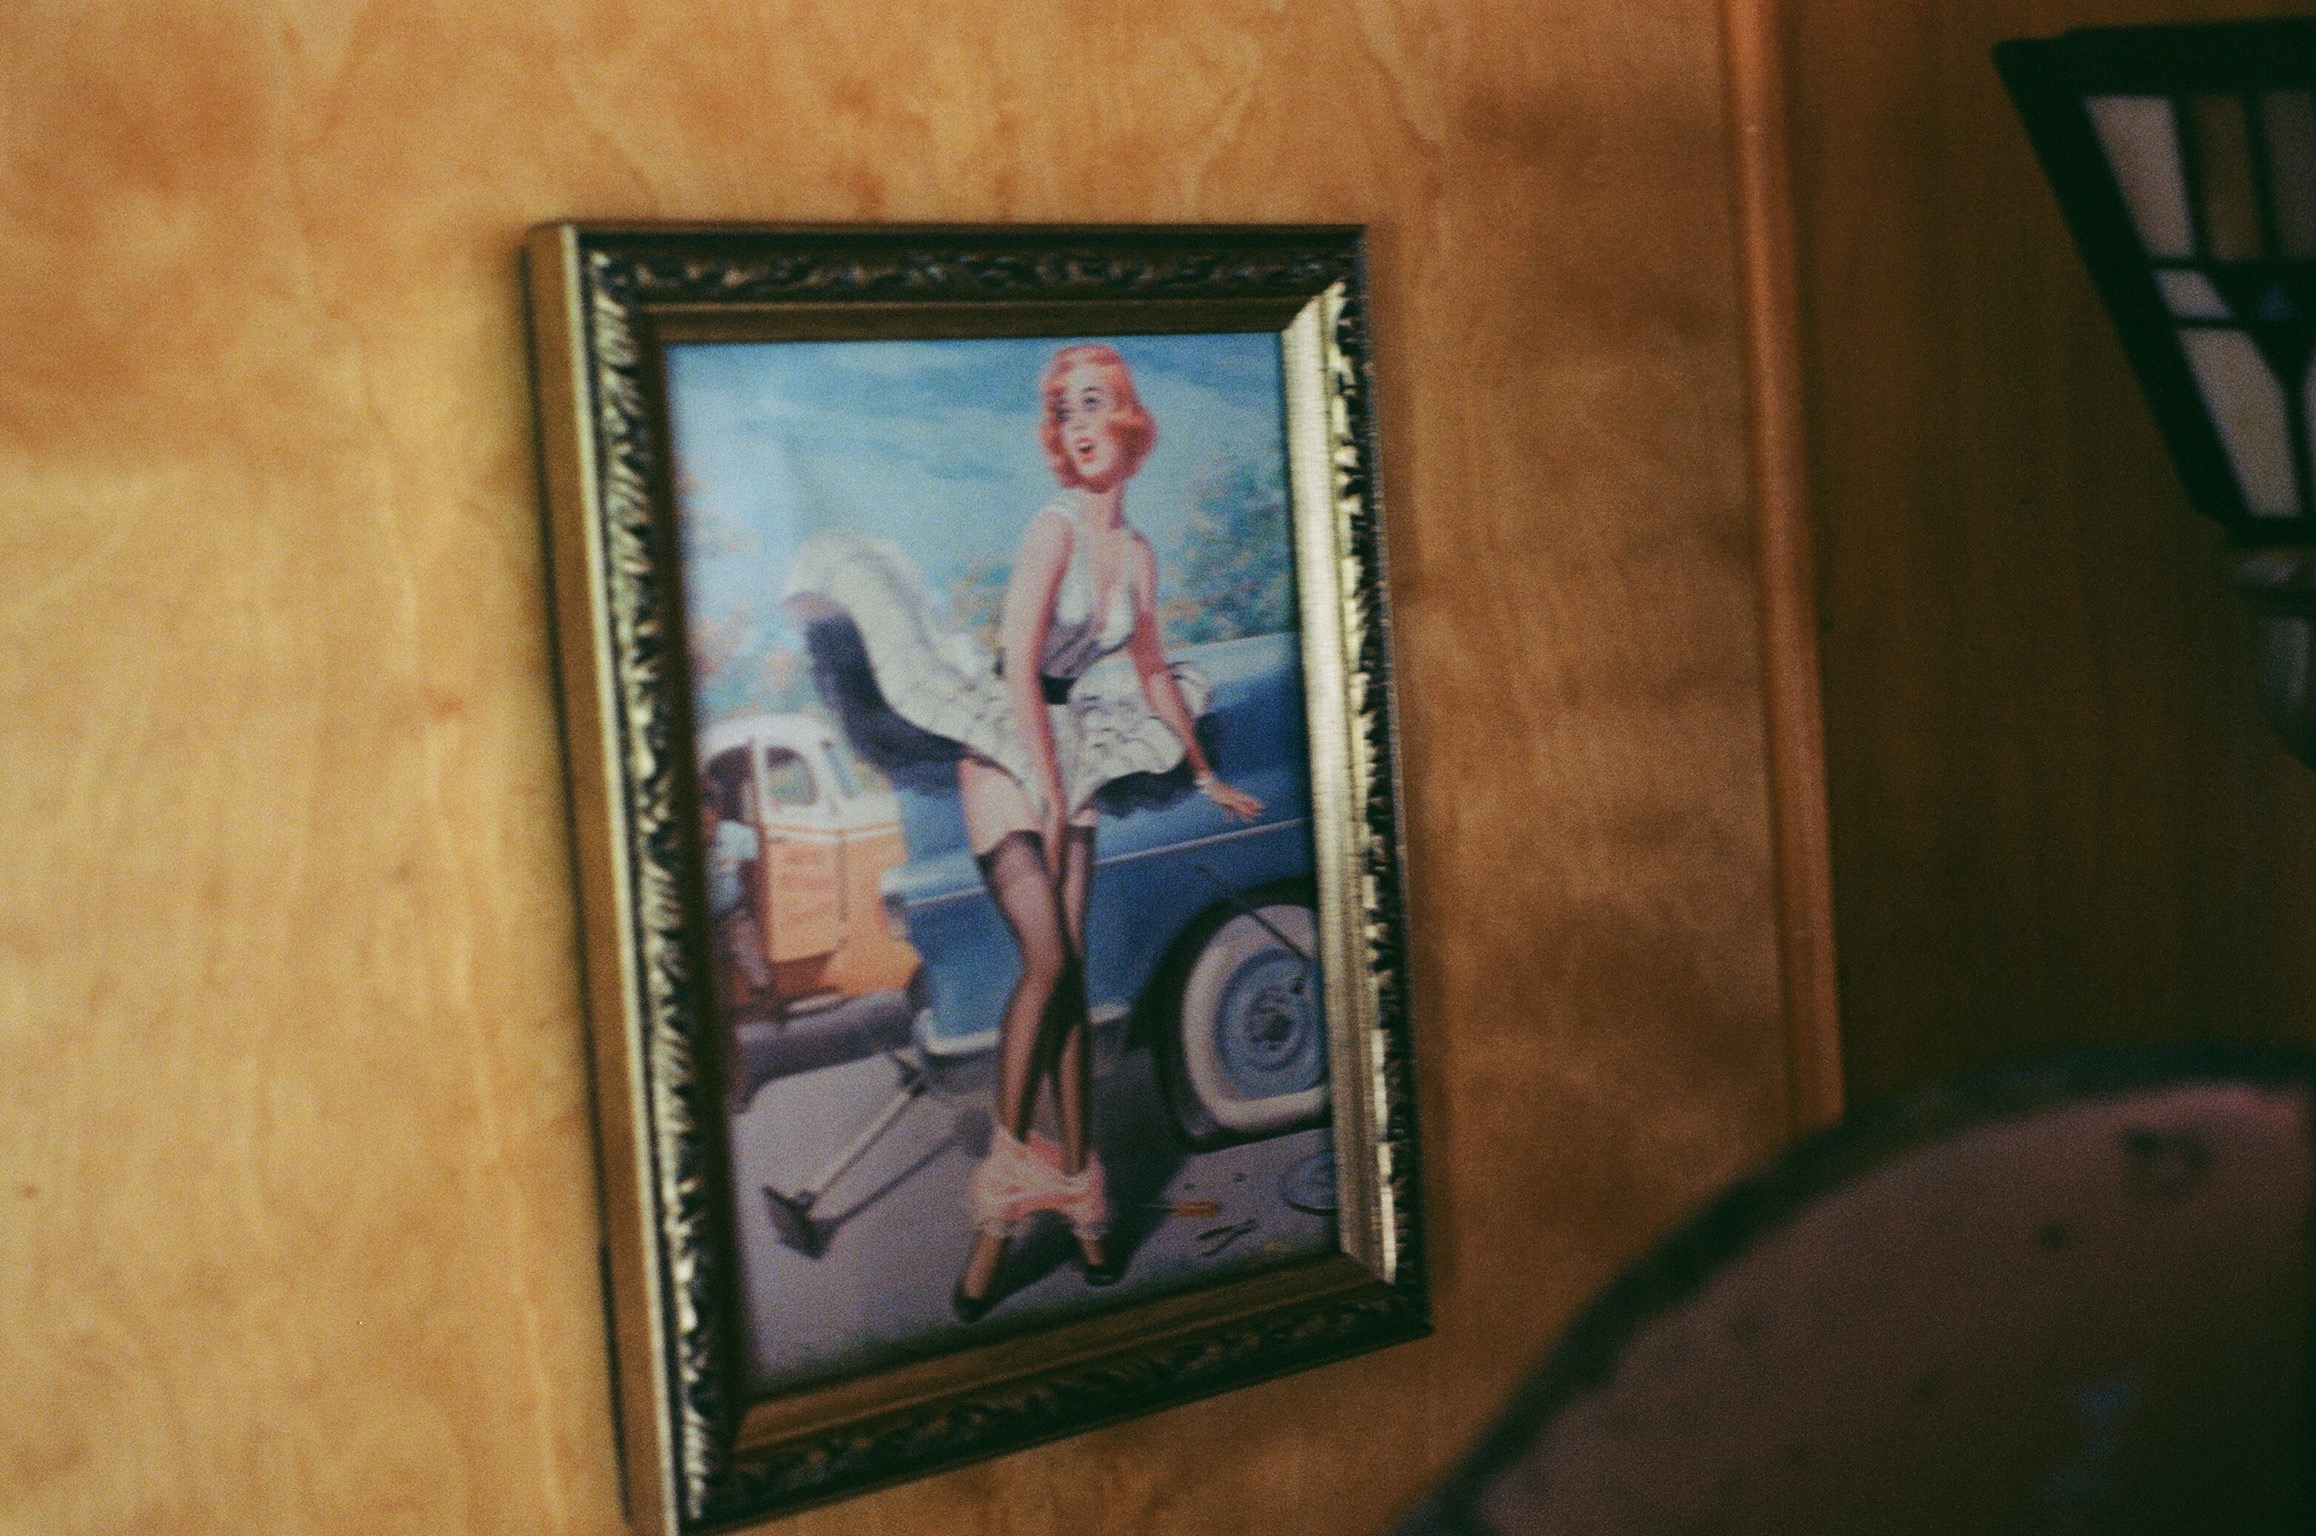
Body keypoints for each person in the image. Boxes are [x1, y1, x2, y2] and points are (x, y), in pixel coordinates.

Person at [784, 343, 1263, 1320]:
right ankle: (1003, 1208)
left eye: (1095, 404)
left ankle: (1082, 1198)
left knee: (1073, 978)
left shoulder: (1137, 554)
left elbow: (1154, 670)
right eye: (1065, 410)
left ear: (1127, 423)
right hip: (1006, 745)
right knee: (1046, 963)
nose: (1079, 424)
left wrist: (1206, 771)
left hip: (1069, 748)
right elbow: (1014, 670)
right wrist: (1043, 785)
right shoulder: (1051, 530)